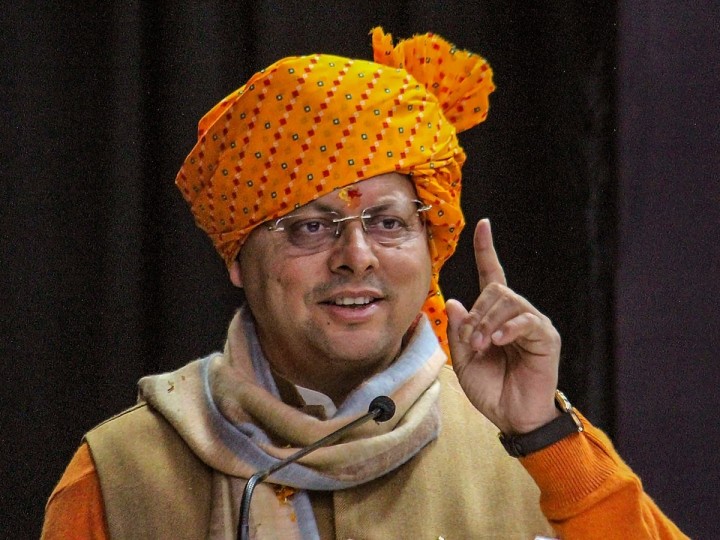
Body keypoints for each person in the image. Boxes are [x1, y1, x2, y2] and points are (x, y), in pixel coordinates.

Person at [42, 28, 688, 539]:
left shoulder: (534, 443)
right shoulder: (122, 474)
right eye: (310, 228)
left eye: (388, 223)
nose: (357, 257)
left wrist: (543, 437)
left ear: (431, 244)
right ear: (238, 257)